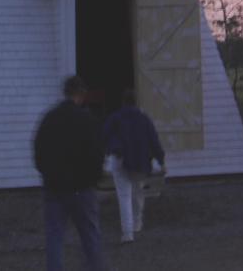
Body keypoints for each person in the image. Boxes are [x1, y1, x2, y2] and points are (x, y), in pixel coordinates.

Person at [34, 76, 105, 271]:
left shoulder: (49, 118)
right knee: (90, 236)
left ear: (64, 92)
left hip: (55, 187)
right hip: (82, 188)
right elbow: (97, 154)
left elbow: (38, 153)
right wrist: (94, 178)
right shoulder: (88, 120)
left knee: (55, 238)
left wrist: (48, 175)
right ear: (81, 94)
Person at [103, 89, 165, 243]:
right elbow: (154, 140)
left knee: (124, 196)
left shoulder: (115, 118)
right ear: (137, 103)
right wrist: (161, 160)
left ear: (123, 102)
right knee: (138, 192)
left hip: (120, 159)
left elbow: (103, 136)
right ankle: (138, 222)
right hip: (140, 161)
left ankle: (128, 233)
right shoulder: (144, 119)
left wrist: (103, 156)